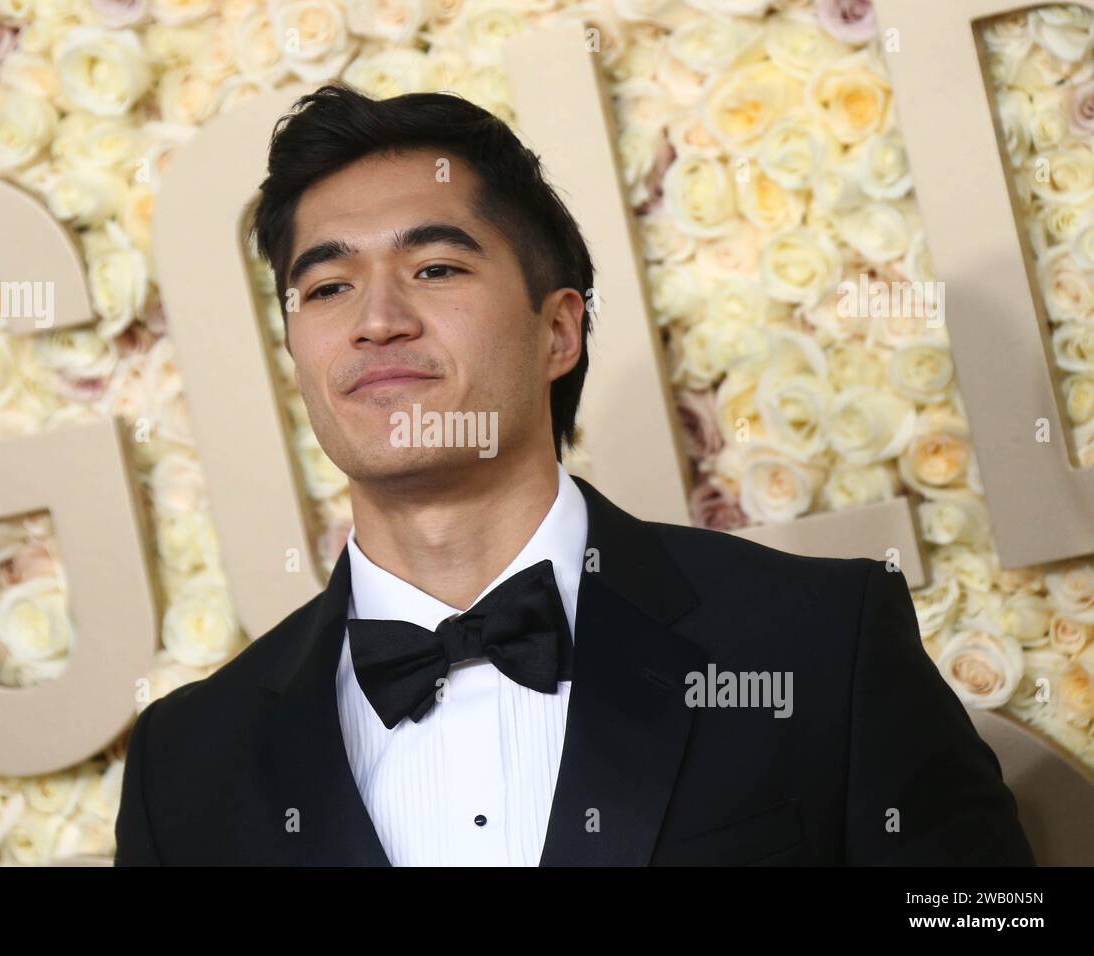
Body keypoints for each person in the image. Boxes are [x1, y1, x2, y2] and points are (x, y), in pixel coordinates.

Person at [114, 83, 1034, 866]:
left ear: (559, 331)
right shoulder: (188, 764)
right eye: (327, 287)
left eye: (433, 267)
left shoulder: (821, 644)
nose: (377, 319)